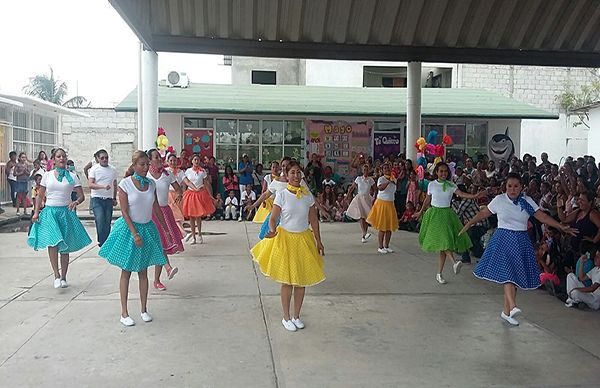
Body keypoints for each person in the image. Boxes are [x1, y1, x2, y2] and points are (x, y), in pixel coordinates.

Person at [462, 173, 576, 326]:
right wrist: (469, 224)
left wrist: (560, 226)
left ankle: (506, 312)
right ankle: (513, 306)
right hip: (502, 239)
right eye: (509, 186)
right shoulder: (499, 200)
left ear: (522, 187)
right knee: (508, 273)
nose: (512, 189)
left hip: (520, 240)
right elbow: (484, 213)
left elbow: (541, 216)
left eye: (516, 186)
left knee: (512, 277)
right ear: (505, 187)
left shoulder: (527, 201)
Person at [250, 161, 325, 332]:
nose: (296, 176)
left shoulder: (308, 196)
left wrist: (318, 241)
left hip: (303, 240)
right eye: (292, 172)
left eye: (299, 172)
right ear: (287, 174)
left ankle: (296, 316)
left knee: (301, 281)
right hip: (285, 240)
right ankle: (286, 317)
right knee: (287, 281)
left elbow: (314, 220)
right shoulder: (282, 195)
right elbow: (273, 218)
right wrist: (272, 230)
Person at [99, 151, 168, 326]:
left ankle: (144, 309)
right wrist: (134, 233)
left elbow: (156, 208)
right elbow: (124, 211)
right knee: (126, 270)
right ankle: (124, 312)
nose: (146, 167)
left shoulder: (151, 184)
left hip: (147, 228)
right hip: (130, 229)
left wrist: (165, 228)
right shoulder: (125, 184)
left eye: (147, 164)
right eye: (142, 164)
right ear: (134, 165)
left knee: (143, 271)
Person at [28, 148, 92, 288]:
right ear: (54, 159)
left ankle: (63, 277)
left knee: (65, 245)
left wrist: (75, 202)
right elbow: (40, 195)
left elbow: (81, 196)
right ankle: (56, 275)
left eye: (63, 156)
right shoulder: (47, 175)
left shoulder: (72, 176)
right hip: (50, 212)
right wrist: (36, 212)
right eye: (58, 156)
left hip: (66, 212)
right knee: (53, 242)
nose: (61, 158)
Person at [414, 162, 486, 284]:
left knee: (444, 245)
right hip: (435, 215)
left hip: (447, 215)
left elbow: (462, 194)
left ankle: (439, 274)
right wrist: (420, 212)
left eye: (445, 171)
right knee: (444, 241)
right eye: (441, 171)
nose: (443, 173)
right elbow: (427, 199)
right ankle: (454, 263)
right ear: (436, 172)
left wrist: (475, 196)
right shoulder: (432, 184)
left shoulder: (451, 185)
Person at [147, 149, 182, 291]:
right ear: (149, 160)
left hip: (164, 212)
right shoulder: (146, 175)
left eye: (160, 157)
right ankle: (167, 269)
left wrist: (179, 194)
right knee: (158, 244)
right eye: (156, 157)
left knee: (162, 244)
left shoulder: (167, 175)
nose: (159, 159)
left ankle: (157, 279)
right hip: (149, 213)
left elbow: (178, 188)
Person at [182, 154, 216, 244]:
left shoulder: (202, 171)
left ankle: (199, 234)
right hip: (190, 194)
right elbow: (185, 184)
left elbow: (206, 184)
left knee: (198, 216)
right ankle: (193, 237)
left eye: (198, 160)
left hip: (200, 194)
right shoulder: (188, 171)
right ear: (192, 161)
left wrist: (210, 195)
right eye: (195, 159)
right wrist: (182, 194)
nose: (196, 161)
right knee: (191, 217)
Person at [88, 149, 118, 247]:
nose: (105, 160)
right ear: (98, 159)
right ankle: (102, 241)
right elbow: (90, 184)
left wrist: (114, 197)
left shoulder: (112, 169)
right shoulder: (94, 169)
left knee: (107, 220)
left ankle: (107, 241)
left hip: (108, 199)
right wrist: (103, 187)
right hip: (97, 198)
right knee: (100, 219)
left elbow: (114, 184)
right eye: (102, 158)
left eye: (106, 158)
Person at [366, 163, 399, 254]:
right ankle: (380, 246)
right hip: (382, 204)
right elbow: (380, 188)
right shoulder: (381, 179)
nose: (387, 169)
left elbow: (396, 189)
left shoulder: (394, 179)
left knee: (389, 227)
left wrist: (394, 180)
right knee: (383, 227)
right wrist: (388, 182)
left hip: (390, 203)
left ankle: (387, 246)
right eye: (385, 168)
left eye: (388, 167)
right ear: (382, 170)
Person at [346, 163, 375, 242]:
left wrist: (375, 197)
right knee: (361, 216)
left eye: (367, 170)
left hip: (367, 198)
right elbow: (351, 188)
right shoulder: (358, 178)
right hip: (359, 198)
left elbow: (375, 189)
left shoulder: (370, 180)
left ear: (368, 171)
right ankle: (364, 233)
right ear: (362, 171)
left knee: (366, 217)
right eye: (364, 170)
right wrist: (347, 196)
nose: (365, 171)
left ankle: (364, 236)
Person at [165, 153, 188, 238]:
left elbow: (186, 181)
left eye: (174, 160)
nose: (173, 162)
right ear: (167, 162)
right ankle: (183, 233)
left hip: (178, 195)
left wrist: (193, 187)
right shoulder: (165, 171)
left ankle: (178, 236)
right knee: (174, 216)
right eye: (171, 160)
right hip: (168, 195)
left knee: (179, 216)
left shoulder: (180, 172)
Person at [14, 152, 32, 216]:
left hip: (25, 181)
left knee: (24, 196)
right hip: (19, 181)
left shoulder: (27, 165)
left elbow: (29, 173)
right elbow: (14, 174)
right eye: (22, 157)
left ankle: (25, 211)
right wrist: (21, 173)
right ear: (19, 158)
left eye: (24, 157)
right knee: (19, 196)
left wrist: (26, 172)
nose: (23, 159)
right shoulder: (17, 165)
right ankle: (18, 210)